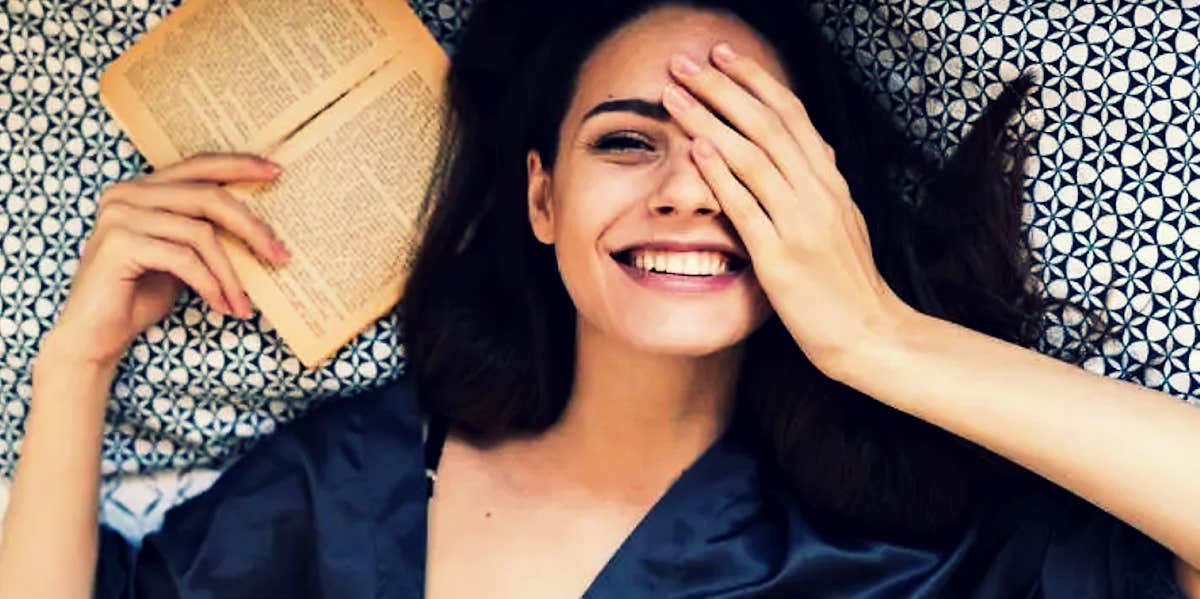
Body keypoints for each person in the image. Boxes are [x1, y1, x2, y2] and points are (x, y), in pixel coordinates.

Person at [1, 0, 1198, 596]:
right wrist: (76, 364)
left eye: (740, 149)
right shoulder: (343, 481)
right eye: (629, 141)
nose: (687, 189)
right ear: (541, 200)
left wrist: (879, 334)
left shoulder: (913, 541)